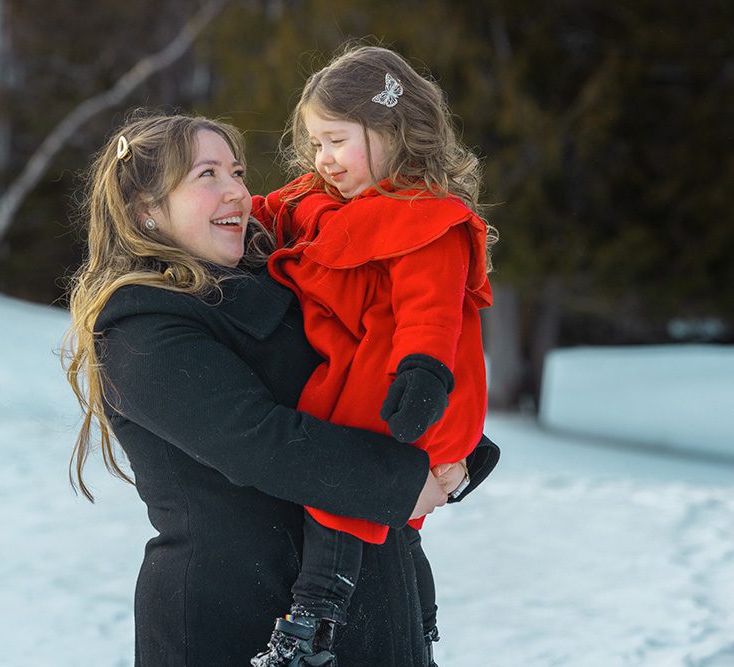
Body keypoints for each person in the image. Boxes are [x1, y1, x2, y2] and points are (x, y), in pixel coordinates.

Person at [66, 111, 498, 666]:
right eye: (207, 175)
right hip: (242, 616)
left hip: (370, 607)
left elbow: (372, 358)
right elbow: (261, 442)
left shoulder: (283, 274)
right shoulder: (139, 325)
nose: (238, 193)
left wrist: (454, 452)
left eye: (237, 172)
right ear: (145, 210)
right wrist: (404, 480)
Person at [249, 45, 499, 667]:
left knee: (346, 483)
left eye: (336, 141)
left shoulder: (427, 219)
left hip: (406, 381)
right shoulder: (320, 200)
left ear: (391, 131)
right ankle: (418, 619)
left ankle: (313, 620)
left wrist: (422, 372)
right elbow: (267, 213)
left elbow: (431, 311)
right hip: (359, 372)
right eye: (314, 143)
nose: (322, 158)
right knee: (392, 522)